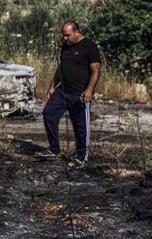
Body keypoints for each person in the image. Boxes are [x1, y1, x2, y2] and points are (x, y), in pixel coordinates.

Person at [39, 20, 101, 167]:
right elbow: (62, 67)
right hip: (63, 91)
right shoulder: (65, 47)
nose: (64, 38)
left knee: (80, 126)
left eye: (67, 35)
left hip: (79, 93)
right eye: (63, 35)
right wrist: (52, 86)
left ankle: (82, 158)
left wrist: (89, 90)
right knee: (49, 113)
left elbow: (96, 70)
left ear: (77, 32)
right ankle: (54, 148)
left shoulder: (89, 47)